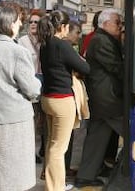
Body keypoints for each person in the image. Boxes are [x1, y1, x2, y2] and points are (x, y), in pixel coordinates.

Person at [0, 3, 42, 191]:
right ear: (11, 24)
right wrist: (38, 84)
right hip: (14, 120)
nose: (20, 25)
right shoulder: (18, 51)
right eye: (19, 21)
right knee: (14, 173)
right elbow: (32, 89)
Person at [38, 10, 90, 191]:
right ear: (63, 27)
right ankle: (55, 187)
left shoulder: (44, 44)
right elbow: (85, 67)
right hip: (62, 101)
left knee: (51, 143)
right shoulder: (62, 45)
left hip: (48, 99)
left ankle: (54, 184)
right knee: (59, 149)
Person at [74, 8, 124, 188]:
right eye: (117, 22)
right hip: (108, 99)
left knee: (97, 137)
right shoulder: (101, 40)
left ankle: (85, 177)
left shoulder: (104, 39)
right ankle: (126, 171)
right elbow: (117, 67)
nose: (120, 26)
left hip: (103, 98)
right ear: (106, 23)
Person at [19, 9, 46, 163]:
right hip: (29, 82)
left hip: (45, 81)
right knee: (33, 118)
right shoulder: (22, 41)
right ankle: (31, 151)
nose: (33, 24)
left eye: (37, 22)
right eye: (31, 22)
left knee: (44, 118)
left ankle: (43, 147)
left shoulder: (45, 40)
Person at [64, 20, 83, 177]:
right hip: (64, 96)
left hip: (54, 95)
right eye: (77, 32)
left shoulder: (52, 45)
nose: (79, 36)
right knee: (63, 139)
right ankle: (62, 171)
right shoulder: (65, 47)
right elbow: (84, 67)